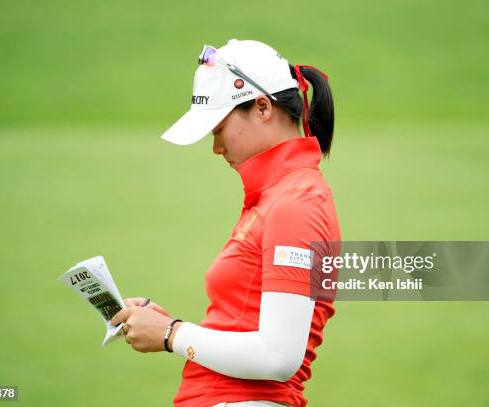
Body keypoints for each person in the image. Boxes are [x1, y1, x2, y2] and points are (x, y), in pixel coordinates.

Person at [111, 39, 341, 407]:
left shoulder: (296, 203)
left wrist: (171, 334)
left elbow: (278, 356)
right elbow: (246, 325)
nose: (216, 148)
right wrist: (168, 329)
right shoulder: (279, 196)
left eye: (218, 129)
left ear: (263, 107)